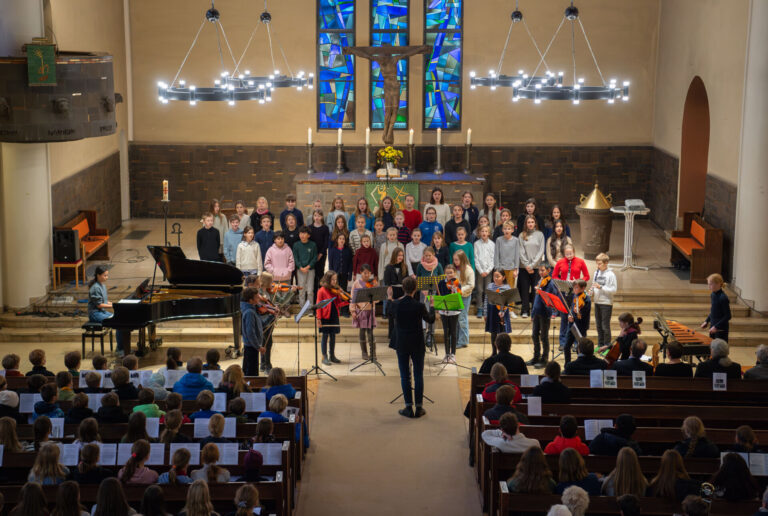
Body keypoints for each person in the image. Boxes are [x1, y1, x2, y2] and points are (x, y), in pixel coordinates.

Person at [389, 276, 435, 418]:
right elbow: (431, 320)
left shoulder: (396, 304)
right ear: (415, 289)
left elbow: (389, 312)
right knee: (418, 375)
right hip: (416, 342)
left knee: (405, 375)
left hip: (402, 342)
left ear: (403, 288)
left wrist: (390, 297)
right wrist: (432, 305)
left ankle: (408, 407)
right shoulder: (419, 306)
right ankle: (419, 407)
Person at [553, 245, 590, 351]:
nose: (569, 255)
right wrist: (561, 283)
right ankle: (563, 342)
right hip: (565, 292)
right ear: (564, 254)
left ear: (574, 252)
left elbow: (586, 276)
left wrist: (578, 281)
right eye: (567, 254)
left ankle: (576, 342)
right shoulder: (560, 262)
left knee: (575, 317)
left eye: (571, 253)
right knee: (564, 317)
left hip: (576, 292)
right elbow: (554, 276)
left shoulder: (580, 261)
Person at [87, 266, 126, 354]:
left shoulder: (102, 286)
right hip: (95, 314)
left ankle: (122, 347)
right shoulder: (95, 288)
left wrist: (114, 304)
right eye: (105, 275)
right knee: (118, 322)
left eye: (107, 275)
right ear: (98, 275)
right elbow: (99, 305)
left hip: (101, 312)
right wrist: (114, 306)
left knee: (121, 319)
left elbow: (104, 301)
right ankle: (120, 349)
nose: (106, 277)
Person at [517, 215, 546, 318]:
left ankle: (535, 310)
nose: (530, 224)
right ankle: (525, 310)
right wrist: (527, 265)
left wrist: (533, 265)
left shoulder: (540, 235)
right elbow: (521, 251)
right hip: (524, 268)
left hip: (536, 267)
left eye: (532, 222)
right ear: (526, 224)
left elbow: (541, 251)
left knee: (535, 290)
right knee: (524, 289)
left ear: (535, 223)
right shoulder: (521, 235)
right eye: (528, 222)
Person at [350, 264, 378, 361]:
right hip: (360, 311)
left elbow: (377, 300)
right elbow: (353, 298)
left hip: (370, 310)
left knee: (371, 332)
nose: (367, 275)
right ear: (360, 273)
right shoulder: (356, 283)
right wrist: (353, 311)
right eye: (364, 273)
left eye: (368, 273)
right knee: (362, 331)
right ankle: (364, 352)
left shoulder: (373, 283)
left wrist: (375, 290)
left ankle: (373, 352)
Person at [317, 271, 345, 365]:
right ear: (328, 279)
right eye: (332, 279)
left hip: (334, 315)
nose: (334, 281)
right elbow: (318, 306)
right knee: (325, 336)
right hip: (325, 317)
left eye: (335, 279)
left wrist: (347, 300)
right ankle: (324, 356)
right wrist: (319, 319)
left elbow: (338, 304)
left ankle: (332, 355)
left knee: (333, 336)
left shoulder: (335, 290)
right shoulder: (321, 290)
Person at [590, 253, 617, 349]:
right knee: (598, 325)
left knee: (605, 326)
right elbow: (594, 285)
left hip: (606, 302)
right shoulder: (596, 273)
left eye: (600, 264)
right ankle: (600, 344)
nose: (598, 266)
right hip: (597, 302)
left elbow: (614, 290)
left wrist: (600, 287)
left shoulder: (611, 275)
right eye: (597, 263)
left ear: (606, 263)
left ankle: (607, 346)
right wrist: (592, 291)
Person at [437, 264, 462, 364]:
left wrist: (454, 288)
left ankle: (453, 354)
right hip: (444, 311)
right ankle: (447, 354)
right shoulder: (441, 283)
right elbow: (437, 296)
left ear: (454, 273)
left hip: (454, 311)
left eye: (451, 273)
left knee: (453, 332)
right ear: (445, 274)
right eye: (447, 273)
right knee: (446, 332)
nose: (449, 275)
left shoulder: (457, 283)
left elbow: (459, 296)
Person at [484, 270, 513, 353]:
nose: (495, 278)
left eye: (498, 276)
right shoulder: (490, 286)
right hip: (492, 312)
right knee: (493, 333)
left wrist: (503, 311)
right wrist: (485, 313)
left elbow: (508, 302)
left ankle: (502, 352)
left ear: (503, 277)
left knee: (502, 334)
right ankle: (494, 352)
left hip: (502, 314)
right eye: (494, 276)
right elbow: (486, 300)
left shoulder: (507, 288)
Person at [452, 250, 475, 349]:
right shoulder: (455, 269)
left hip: (464, 296)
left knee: (462, 318)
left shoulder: (468, 270)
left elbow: (471, 285)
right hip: (456, 296)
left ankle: (463, 341)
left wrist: (460, 290)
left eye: (456, 260)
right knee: (456, 318)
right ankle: (457, 339)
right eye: (454, 260)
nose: (455, 261)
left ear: (462, 259)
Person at [240, 287, 265, 376]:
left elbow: (261, 324)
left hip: (252, 347)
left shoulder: (253, 309)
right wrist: (258, 347)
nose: (259, 298)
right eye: (257, 297)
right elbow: (250, 332)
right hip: (251, 347)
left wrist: (272, 316)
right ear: (250, 300)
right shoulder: (250, 312)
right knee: (251, 374)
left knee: (250, 371)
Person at [701, 272, 731, 341]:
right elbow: (714, 311)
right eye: (708, 284)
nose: (709, 287)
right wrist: (707, 321)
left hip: (720, 329)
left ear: (718, 284)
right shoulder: (713, 294)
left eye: (710, 284)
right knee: (712, 348)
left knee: (720, 349)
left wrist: (716, 327)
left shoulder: (723, 298)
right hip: (713, 326)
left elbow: (728, 316)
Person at [293, 226, 318, 307]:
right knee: (301, 290)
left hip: (310, 270)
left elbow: (315, 258)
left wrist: (308, 267)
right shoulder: (296, 245)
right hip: (300, 270)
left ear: (308, 235)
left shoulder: (313, 245)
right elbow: (295, 258)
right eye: (301, 233)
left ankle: (310, 307)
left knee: (310, 290)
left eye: (304, 233)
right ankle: (302, 307)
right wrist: (300, 267)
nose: (302, 235)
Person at [474, 225, 495, 318]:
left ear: (489, 233)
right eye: (482, 231)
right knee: (479, 290)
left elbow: (493, 259)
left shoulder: (492, 244)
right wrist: (481, 270)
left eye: (486, 231)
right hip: (479, 271)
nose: (484, 233)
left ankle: (486, 309)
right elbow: (476, 258)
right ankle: (479, 308)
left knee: (487, 290)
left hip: (488, 271)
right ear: (479, 233)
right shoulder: (476, 244)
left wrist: (487, 270)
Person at [328, 232, 353, 305]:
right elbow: (331, 263)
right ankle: (336, 307)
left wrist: (350, 274)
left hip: (345, 274)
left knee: (344, 291)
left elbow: (350, 263)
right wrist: (331, 275)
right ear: (337, 240)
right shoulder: (333, 250)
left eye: (343, 239)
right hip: (335, 274)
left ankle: (344, 309)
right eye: (340, 239)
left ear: (345, 240)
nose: (341, 240)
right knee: (335, 291)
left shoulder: (348, 250)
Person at [494, 221, 520, 289]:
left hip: (511, 268)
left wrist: (516, 269)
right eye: (505, 229)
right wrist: (497, 268)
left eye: (509, 229)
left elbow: (517, 255)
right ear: (502, 230)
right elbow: (496, 255)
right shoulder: (499, 240)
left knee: (510, 289)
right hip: (501, 268)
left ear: (512, 230)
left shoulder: (516, 240)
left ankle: (511, 300)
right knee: (500, 288)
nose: (507, 230)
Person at [309, 209, 330, 293]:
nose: (317, 217)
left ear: (322, 217)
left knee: (320, 273)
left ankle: (321, 292)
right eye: (315, 216)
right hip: (312, 255)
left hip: (322, 254)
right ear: (313, 217)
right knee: (313, 274)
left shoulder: (325, 228)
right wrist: (314, 255)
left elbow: (326, 243)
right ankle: (313, 293)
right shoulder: (310, 227)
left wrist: (320, 254)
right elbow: (309, 242)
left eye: (319, 216)